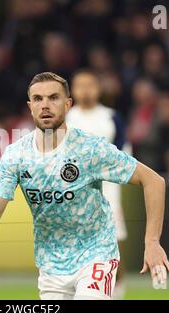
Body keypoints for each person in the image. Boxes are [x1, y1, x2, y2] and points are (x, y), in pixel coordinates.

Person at [0, 72, 169, 300]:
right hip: (51, 265)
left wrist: (152, 242)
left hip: (96, 254)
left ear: (67, 105)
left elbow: (154, 181)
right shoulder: (16, 155)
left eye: (53, 98)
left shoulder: (90, 149)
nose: (45, 105)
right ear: (30, 106)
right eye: (38, 99)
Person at [66, 70, 130, 299]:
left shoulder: (111, 118)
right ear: (72, 90)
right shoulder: (66, 118)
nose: (85, 90)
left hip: (109, 195)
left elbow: (125, 155)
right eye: (80, 85)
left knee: (114, 251)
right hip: (74, 196)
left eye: (90, 85)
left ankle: (117, 294)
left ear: (98, 88)